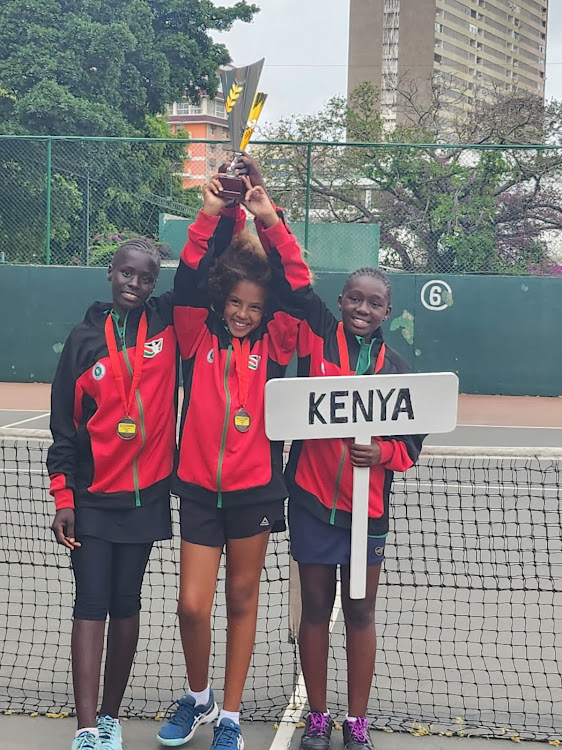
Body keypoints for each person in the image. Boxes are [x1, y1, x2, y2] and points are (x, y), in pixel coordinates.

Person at [157, 170, 310, 750]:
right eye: (236, 303)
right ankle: (198, 699)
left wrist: (266, 218)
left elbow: (296, 284)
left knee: (242, 600)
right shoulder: (196, 332)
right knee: (192, 606)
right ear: (222, 301)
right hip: (197, 488)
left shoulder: (278, 340)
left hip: (257, 493)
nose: (244, 313)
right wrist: (216, 210)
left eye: (254, 306)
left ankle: (230, 716)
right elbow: (192, 273)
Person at [285, 268, 424, 750]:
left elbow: (410, 447)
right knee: (316, 609)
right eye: (354, 299)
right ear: (341, 301)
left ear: (388, 311)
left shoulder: (398, 370)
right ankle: (319, 718)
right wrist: (266, 213)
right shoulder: (318, 340)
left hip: (368, 515)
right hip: (311, 503)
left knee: (361, 612)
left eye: (374, 303)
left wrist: (382, 454)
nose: (362, 309)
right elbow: (297, 285)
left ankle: (356, 722)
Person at [47, 238, 177, 750]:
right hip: (93, 499)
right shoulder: (83, 341)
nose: (136, 284)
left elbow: (199, 269)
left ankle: (109, 718)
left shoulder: (166, 325)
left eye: (146, 278)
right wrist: (64, 500)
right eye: (127, 274)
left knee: (127, 604)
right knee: (90, 603)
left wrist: (221, 208)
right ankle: (84, 728)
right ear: (110, 273)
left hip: (145, 501)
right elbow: (64, 428)